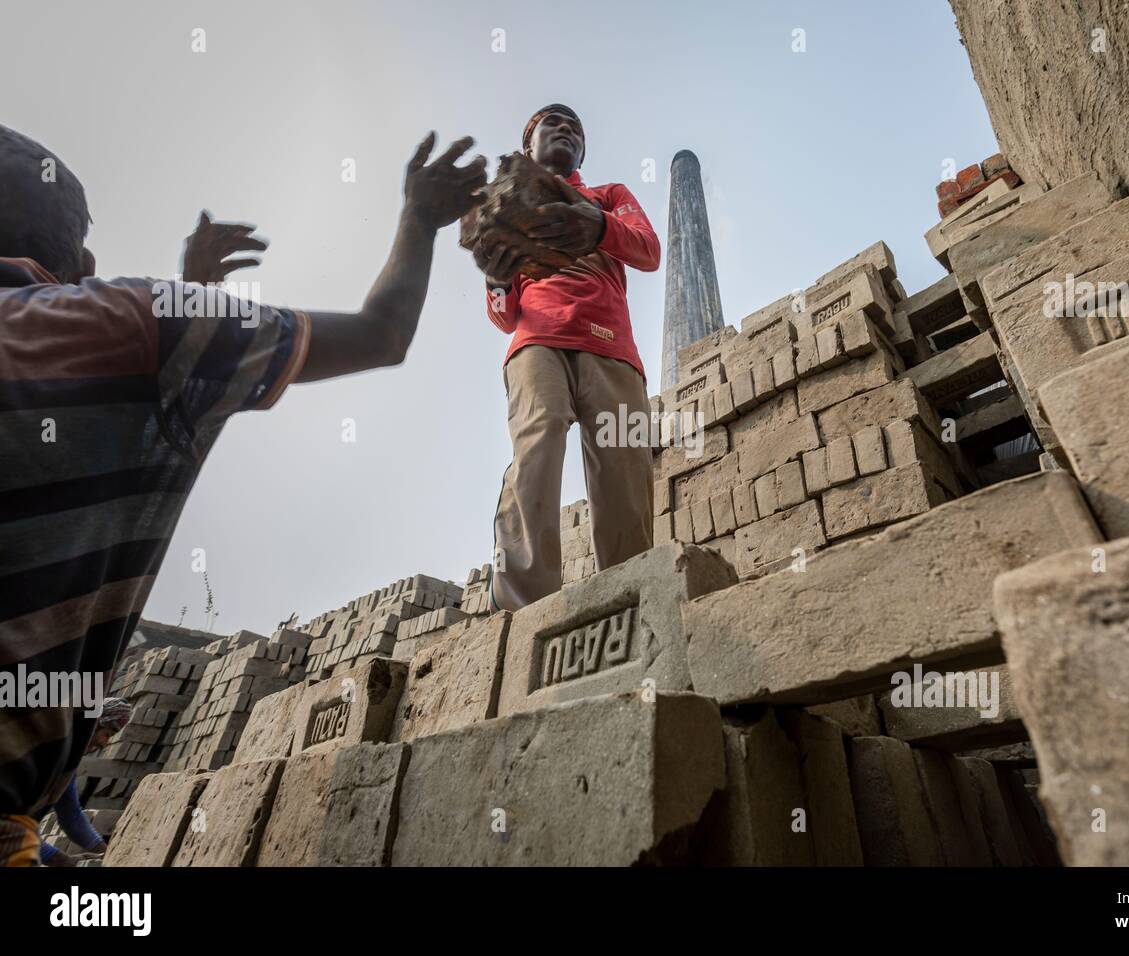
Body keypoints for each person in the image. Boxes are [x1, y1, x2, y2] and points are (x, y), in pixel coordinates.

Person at [0, 124, 486, 866]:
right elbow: (382, 334)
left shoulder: (135, 325)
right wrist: (418, 219)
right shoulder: (133, 325)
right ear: (84, 262)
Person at [473, 104, 660, 612]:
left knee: (624, 471)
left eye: (575, 127)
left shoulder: (608, 197)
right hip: (537, 341)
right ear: (528, 144)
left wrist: (598, 226)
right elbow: (503, 314)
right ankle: (521, 606)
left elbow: (648, 250)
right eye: (551, 123)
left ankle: (631, 596)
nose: (566, 129)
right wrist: (494, 279)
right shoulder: (513, 203)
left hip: (612, 347)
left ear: (582, 150)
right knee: (537, 445)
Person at [36, 698, 131, 867]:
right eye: (107, 734)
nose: (104, 744)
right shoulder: (38, 753)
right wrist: (64, 861)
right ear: (91, 725)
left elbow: (71, 816)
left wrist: (108, 853)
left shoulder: (65, 764)